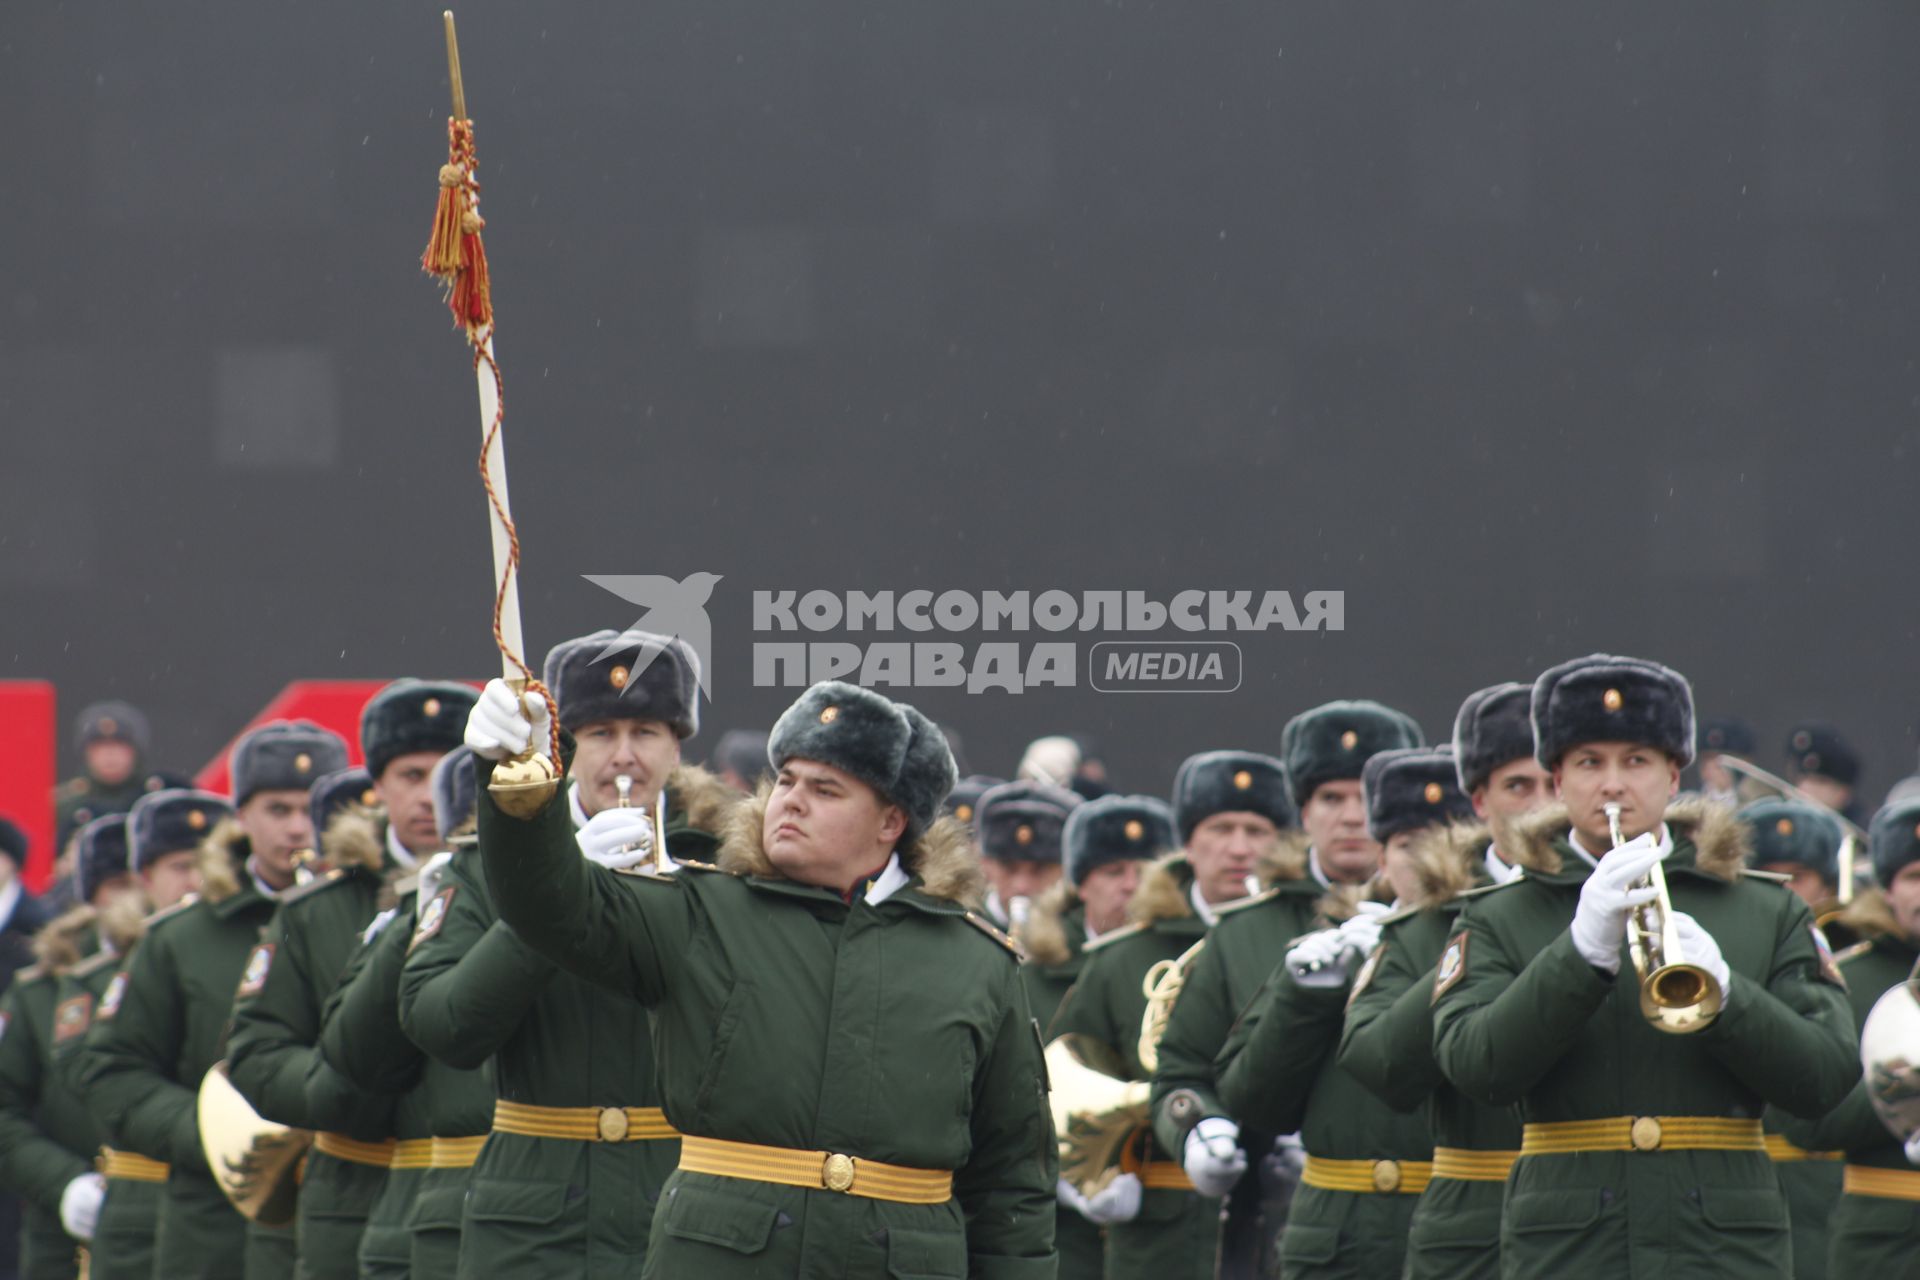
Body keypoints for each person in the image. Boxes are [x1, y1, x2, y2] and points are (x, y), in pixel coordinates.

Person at [463, 676, 1056, 1276]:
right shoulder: (700, 911)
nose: (792, 800)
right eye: (788, 781)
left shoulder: (978, 962)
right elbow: (548, 907)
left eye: (826, 789)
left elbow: (1012, 1186)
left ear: (890, 823)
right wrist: (521, 787)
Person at [1431, 654, 1859, 1278]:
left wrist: (1729, 993)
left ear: (1671, 774)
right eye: (1588, 763)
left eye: (1636, 761)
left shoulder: (1763, 908)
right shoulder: (1497, 915)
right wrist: (1578, 954)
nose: (1612, 784)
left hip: (1722, 1248)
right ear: (1556, 780)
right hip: (1569, 1248)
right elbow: (1478, 1067)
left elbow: (1824, 1077)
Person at [398, 632, 732, 1278]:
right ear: (561, 744)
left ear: (678, 745)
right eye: (599, 733)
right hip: (534, 1223)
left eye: (646, 732)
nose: (624, 757)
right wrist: (554, 889)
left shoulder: (728, 864)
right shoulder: (481, 866)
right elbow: (444, 1026)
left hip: (684, 1209)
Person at [1149, 702, 1418, 1276]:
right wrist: (1202, 1129)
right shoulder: (1246, 929)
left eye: (1366, 796)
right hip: (1285, 1227)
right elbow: (1182, 1071)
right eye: (1330, 799)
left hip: (1436, 1218)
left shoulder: (1451, 915)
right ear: (1302, 812)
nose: (1352, 817)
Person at [225, 681, 475, 1280]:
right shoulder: (316, 908)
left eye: (449, 772)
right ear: (377, 785)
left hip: (482, 1193)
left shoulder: (509, 892)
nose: (430, 795)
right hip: (356, 1197)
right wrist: (338, 1086)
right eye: (411, 774)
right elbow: (256, 1053)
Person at [84, 724, 347, 1280]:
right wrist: (218, 1137)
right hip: (213, 1228)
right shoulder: (179, 937)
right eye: (277, 809)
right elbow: (113, 1070)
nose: (298, 827)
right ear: (242, 817)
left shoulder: (372, 916)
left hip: (344, 1207)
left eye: (310, 807)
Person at [1216, 746, 1472, 1279]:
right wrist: (1305, 996)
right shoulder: (1341, 942)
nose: (1428, 864)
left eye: (1443, 845)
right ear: (1381, 859)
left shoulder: (1491, 940)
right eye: (1407, 846)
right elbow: (1251, 1097)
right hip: (1338, 1236)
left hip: (1462, 1223)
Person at [1333, 685, 1551, 1280]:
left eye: (1553, 782)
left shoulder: (1647, 901)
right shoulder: (1434, 915)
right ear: (1478, 801)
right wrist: (1485, 947)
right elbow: (1378, 1064)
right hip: (1474, 1232)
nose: (1540, 804)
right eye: (1517, 786)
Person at [1046, 780, 1243, 1280]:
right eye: (1114, 871)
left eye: (1144, 870)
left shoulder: (1235, 936)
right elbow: (1062, 1080)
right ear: (1081, 883)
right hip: (1153, 1208)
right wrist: (1085, 1180)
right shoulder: (1113, 961)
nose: (1132, 884)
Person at [1779, 795, 1920, 1277]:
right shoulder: (1844, 979)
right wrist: (1901, 1084)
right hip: (1883, 1244)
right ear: (1886, 888)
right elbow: (1807, 1123)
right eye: (1914, 877)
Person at [0, 813, 143, 1279]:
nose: (135, 899)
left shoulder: (185, 973)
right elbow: (5, 1110)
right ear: (92, 894)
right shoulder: (41, 990)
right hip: (61, 1240)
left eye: (144, 881)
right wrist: (65, 1184)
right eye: (120, 883)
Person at [976, 780, 1081, 934]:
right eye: (1008, 867)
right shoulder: (962, 930)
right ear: (985, 864)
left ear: (1067, 871)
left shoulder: (1078, 936)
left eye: (1041, 869)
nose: (1022, 886)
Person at [1785, 723, 1865, 825]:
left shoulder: (1864, 831)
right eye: (1801, 779)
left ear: (1843, 792)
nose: (1805, 788)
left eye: (1820, 782)